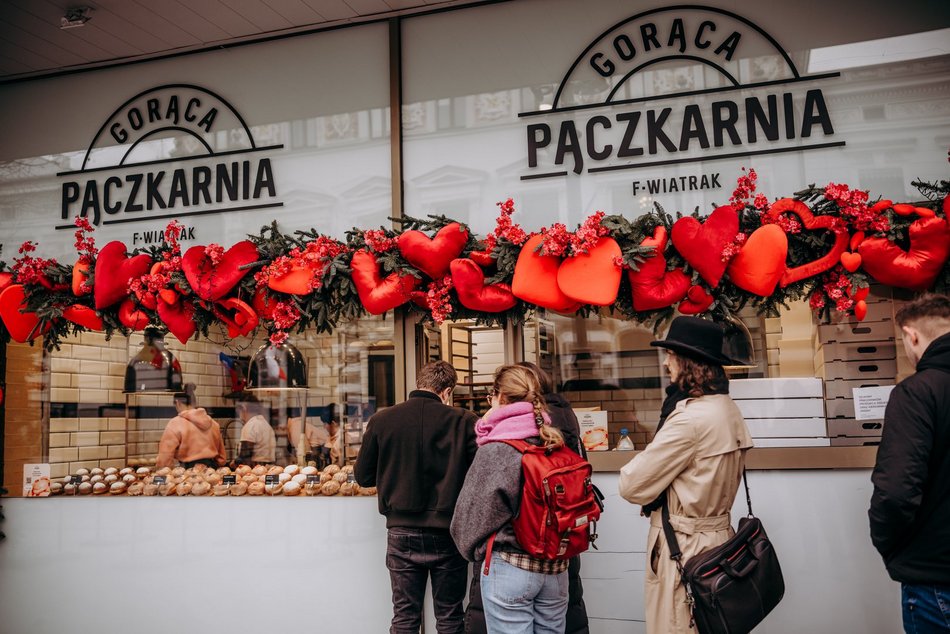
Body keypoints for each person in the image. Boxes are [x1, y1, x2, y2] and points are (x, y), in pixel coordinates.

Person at [617, 316, 752, 634]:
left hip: (685, 549)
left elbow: (631, 485)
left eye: (671, 356)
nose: (666, 364)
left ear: (688, 362)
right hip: (720, 542)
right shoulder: (727, 409)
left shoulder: (690, 419)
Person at [461, 361, 590, 634]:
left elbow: (469, 520)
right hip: (557, 569)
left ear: (500, 397)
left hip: (510, 567)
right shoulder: (555, 441)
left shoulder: (498, 448)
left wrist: (473, 551)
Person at [354, 360, 478, 634]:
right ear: (447, 391)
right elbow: (478, 477)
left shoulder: (382, 420)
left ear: (419, 384)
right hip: (448, 532)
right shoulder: (465, 421)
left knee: (405, 618)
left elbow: (363, 477)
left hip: (401, 532)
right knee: (450, 617)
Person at [869, 293, 950, 632]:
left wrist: (892, 547)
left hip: (935, 577)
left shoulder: (917, 392)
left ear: (911, 335)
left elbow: (895, 492)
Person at [155, 383, 226, 469]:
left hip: (188, 473)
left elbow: (164, 459)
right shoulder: (214, 424)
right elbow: (222, 459)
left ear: (177, 403)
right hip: (211, 472)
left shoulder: (175, 423)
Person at [235, 394, 276, 466]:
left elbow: (245, 455)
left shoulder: (250, 426)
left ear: (244, 408)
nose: (239, 415)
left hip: (255, 469)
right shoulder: (265, 424)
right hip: (269, 468)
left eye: (239, 411)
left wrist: (234, 463)